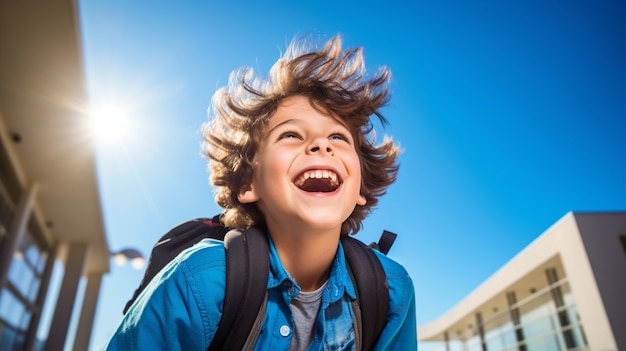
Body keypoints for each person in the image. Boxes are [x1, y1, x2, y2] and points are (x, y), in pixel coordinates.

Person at [104, 34, 417, 350]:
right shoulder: (200, 282)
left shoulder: (390, 290)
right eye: (291, 134)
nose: (322, 145)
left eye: (338, 137)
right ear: (248, 184)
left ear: (360, 187)